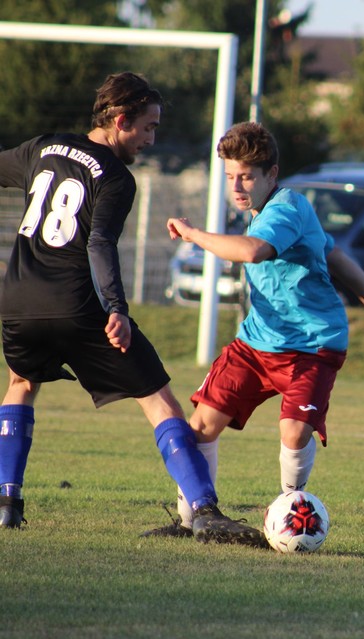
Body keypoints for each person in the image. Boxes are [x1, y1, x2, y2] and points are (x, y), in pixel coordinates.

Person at [0, 72, 263, 546]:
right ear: (120, 121)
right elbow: (99, 242)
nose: (150, 139)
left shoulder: (43, 147)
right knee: (158, 398)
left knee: (21, 384)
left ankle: (6, 502)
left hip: (17, 302)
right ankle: (203, 510)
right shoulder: (115, 176)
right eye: (147, 127)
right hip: (77, 304)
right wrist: (116, 309)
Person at [146, 121, 364, 537]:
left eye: (247, 176)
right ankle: (193, 521)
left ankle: (291, 512)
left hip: (313, 344)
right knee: (201, 425)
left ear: (272, 174)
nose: (237, 186)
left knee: (293, 430)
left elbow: (253, 253)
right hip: (256, 344)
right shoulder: (263, 213)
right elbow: (333, 252)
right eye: (231, 176)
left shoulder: (287, 207)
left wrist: (195, 235)